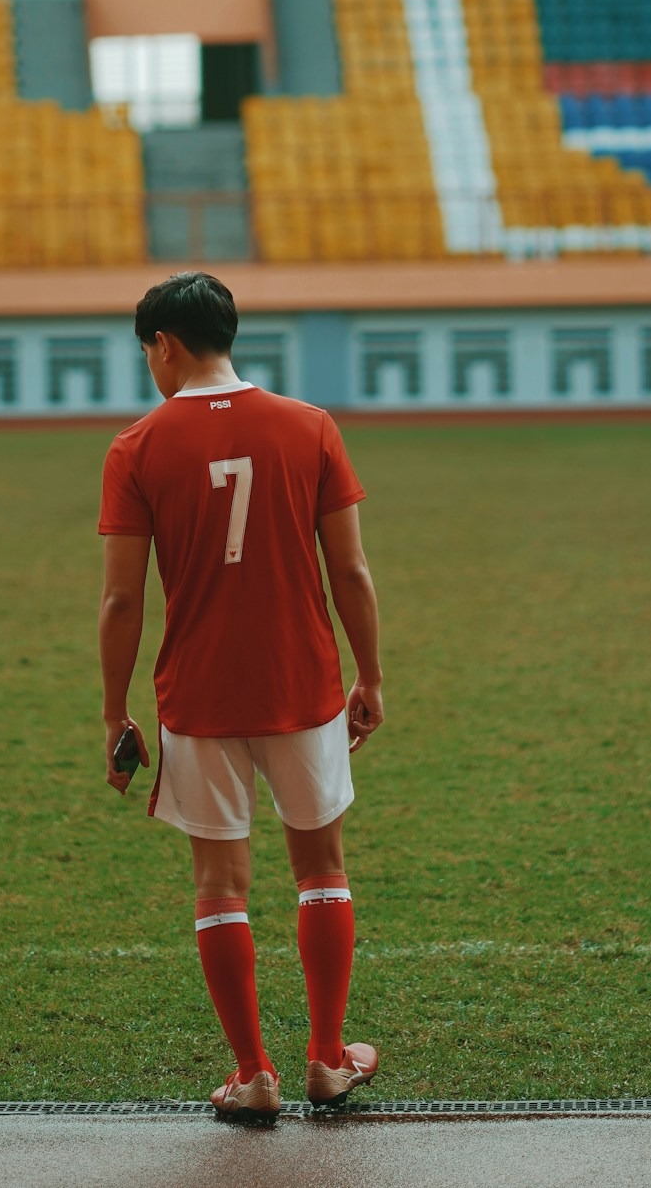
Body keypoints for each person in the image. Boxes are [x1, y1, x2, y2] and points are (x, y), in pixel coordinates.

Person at [98, 270, 384, 1119]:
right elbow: (352, 570)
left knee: (220, 883)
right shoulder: (310, 426)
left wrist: (115, 710)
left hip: (200, 691)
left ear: (165, 344)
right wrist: (369, 673)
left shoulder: (136, 447)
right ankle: (329, 1059)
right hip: (304, 681)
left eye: (146, 348)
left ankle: (251, 1072)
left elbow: (122, 599)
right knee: (321, 867)